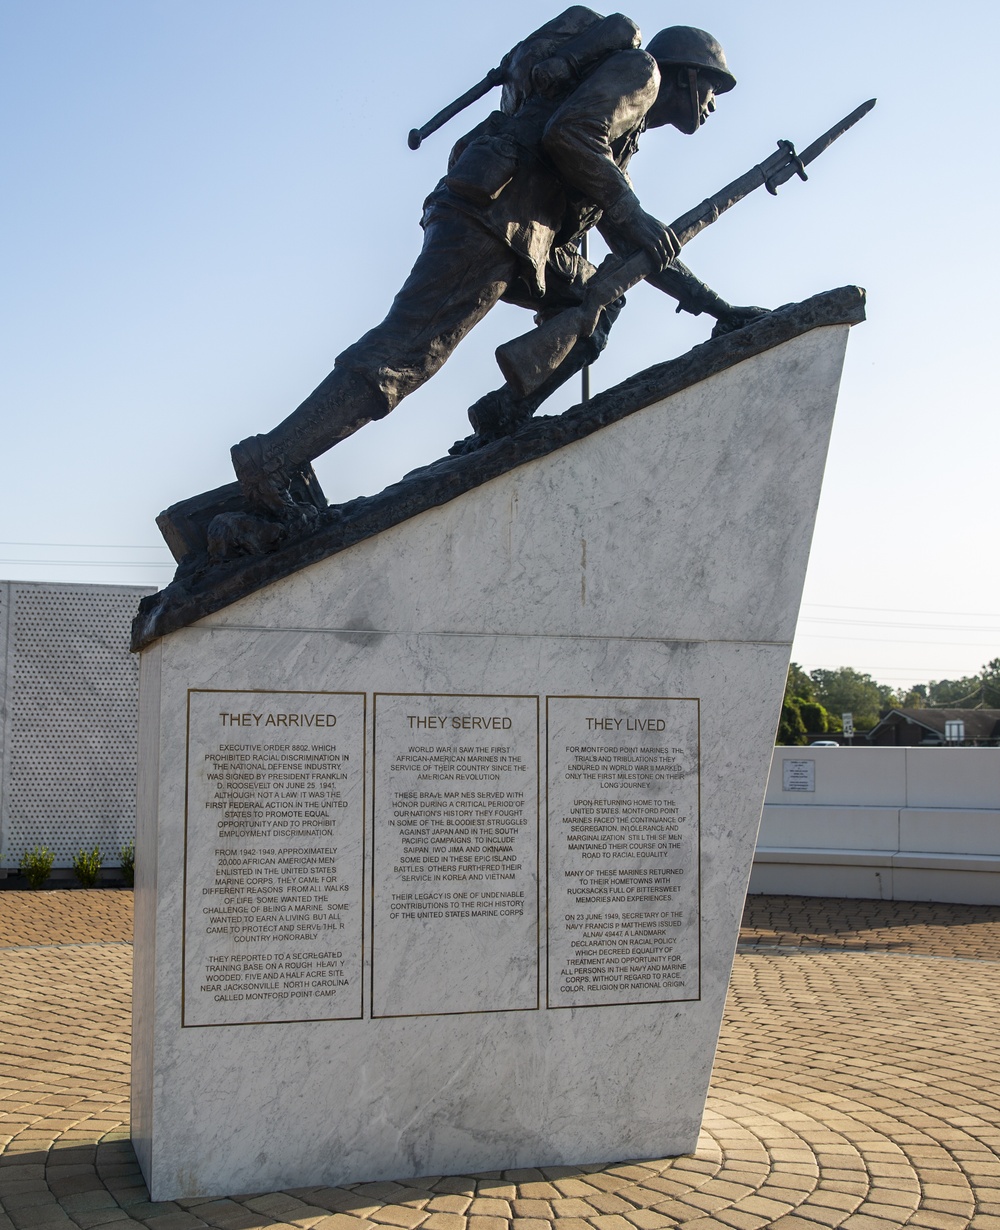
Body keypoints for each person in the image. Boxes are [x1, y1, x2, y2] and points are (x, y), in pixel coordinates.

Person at [232, 10, 767, 520]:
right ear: (691, 76)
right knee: (409, 348)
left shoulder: (625, 126)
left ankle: (503, 415)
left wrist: (716, 308)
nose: (713, 106)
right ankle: (273, 461)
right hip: (493, 216)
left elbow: (633, 246)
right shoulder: (641, 73)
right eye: (714, 91)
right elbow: (569, 136)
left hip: (526, 232)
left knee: (597, 299)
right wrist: (635, 213)